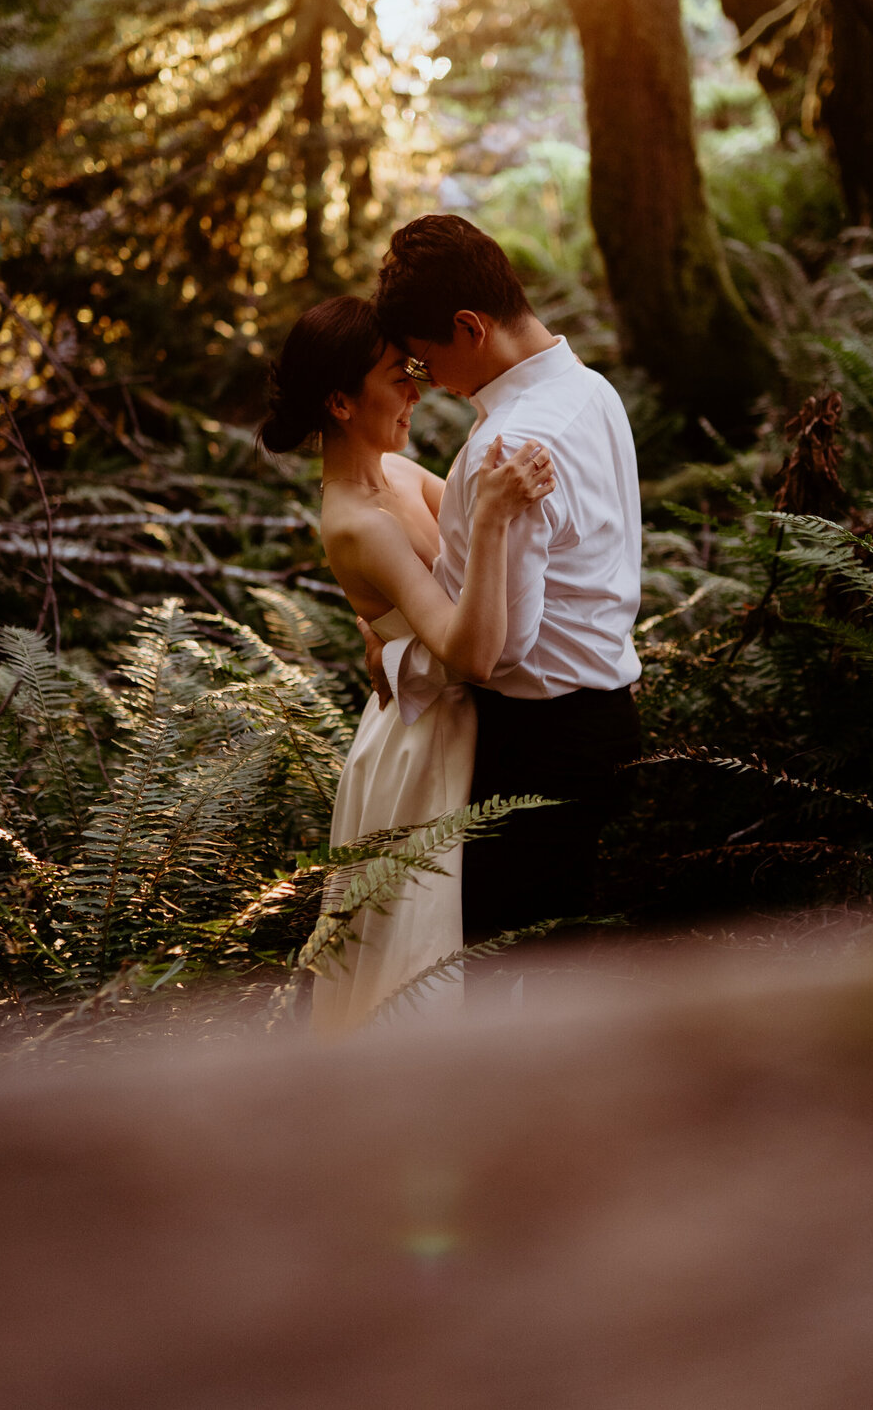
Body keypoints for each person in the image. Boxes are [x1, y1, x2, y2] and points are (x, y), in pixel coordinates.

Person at [259, 295, 554, 1034]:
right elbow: (463, 649)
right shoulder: (356, 523)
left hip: (441, 725)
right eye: (399, 377)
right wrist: (489, 519)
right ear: (340, 400)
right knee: (422, 958)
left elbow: (452, 551)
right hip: (424, 750)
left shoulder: (395, 471)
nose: (418, 392)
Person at [369, 214, 642, 958]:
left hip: (536, 745)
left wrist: (391, 646)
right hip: (602, 717)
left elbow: (499, 649)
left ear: (469, 326)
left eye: (424, 362)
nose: (425, 384)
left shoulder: (505, 446)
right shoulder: (592, 391)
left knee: (499, 978)